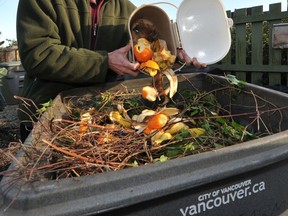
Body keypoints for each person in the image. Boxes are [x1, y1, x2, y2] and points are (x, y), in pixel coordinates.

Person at [16, 0, 205, 143]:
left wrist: (176, 50)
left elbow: (150, 48)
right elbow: (38, 54)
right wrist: (104, 62)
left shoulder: (128, 11)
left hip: (100, 117)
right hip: (47, 117)